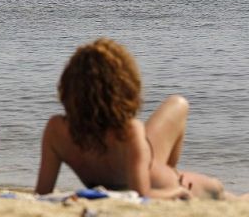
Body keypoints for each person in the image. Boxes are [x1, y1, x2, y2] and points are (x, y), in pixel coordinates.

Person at [35, 38, 244, 200]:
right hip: (170, 183)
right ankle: (171, 172)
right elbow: (141, 196)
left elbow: (42, 194)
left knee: (176, 105)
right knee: (219, 191)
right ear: (124, 86)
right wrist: (175, 192)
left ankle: (168, 169)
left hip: (144, 171)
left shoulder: (56, 129)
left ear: (69, 85)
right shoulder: (128, 130)